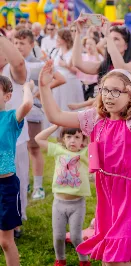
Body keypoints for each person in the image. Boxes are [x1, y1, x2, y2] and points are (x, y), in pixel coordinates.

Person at [38, 61, 131, 265]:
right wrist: (44, 87)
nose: (109, 95)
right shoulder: (95, 118)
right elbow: (55, 116)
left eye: (116, 91)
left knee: (115, 259)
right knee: (110, 257)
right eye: (105, 90)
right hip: (107, 195)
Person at [13, 29, 66, 200]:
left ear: (31, 44)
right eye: (15, 42)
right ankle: (25, 183)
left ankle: (38, 186)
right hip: (16, 112)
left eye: (22, 43)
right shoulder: (12, 63)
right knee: (19, 150)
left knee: (34, 149)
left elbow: (60, 78)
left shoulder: (35, 64)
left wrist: (39, 92)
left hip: (33, 111)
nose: (18, 46)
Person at [35, 125, 91, 266]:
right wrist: (55, 125)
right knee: (59, 236)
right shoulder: (58, 150)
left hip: (77, 204)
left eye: (77, 137)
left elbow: (96, 142)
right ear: (63, 139)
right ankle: (60, 260)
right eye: (68, 137)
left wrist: (88, 128)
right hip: (59, 204)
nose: (72, 140)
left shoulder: (86, 152)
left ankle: (84, 261)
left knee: (76, 237)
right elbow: (38, 138)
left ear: (83, 141)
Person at [0, 31, 30, 238]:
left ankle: (14, 223)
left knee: (16, 177)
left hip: (13, 138)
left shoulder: (12, 73)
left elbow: (19, 64)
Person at [0, 76, 32, 266]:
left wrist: (27, 86)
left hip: (6, 187)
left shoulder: (10, 118)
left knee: (5, 241)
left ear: (7, 96)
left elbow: (27, 104)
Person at [51, 28, 84, 111]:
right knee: (58, 105)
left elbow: (77, 70)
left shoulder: (73, 52)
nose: (57, 40)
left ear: (65, 39)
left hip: (70, 83)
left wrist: (65, 65)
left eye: (59, 38)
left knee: (69, 105)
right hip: (58, 84)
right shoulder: (55, 51)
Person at [76, 36, 103, 101]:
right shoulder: (82, 56)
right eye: (87, 44)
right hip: (83, 85)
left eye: (91, 44)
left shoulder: (99, 57)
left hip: (94, 86)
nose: (89, 46)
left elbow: (101, 67)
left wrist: (96, 52)